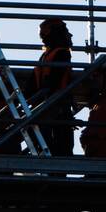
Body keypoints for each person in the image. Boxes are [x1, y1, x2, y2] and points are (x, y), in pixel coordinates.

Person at [33, 17, 75, 155]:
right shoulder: (62, 53)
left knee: (46, 152)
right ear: (57, 33)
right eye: (66, 31)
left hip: (44, 112)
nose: (70, 34)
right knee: (62, 152)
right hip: (57, 112)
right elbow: (55, 82)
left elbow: (32, 87)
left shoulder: (43, 58)